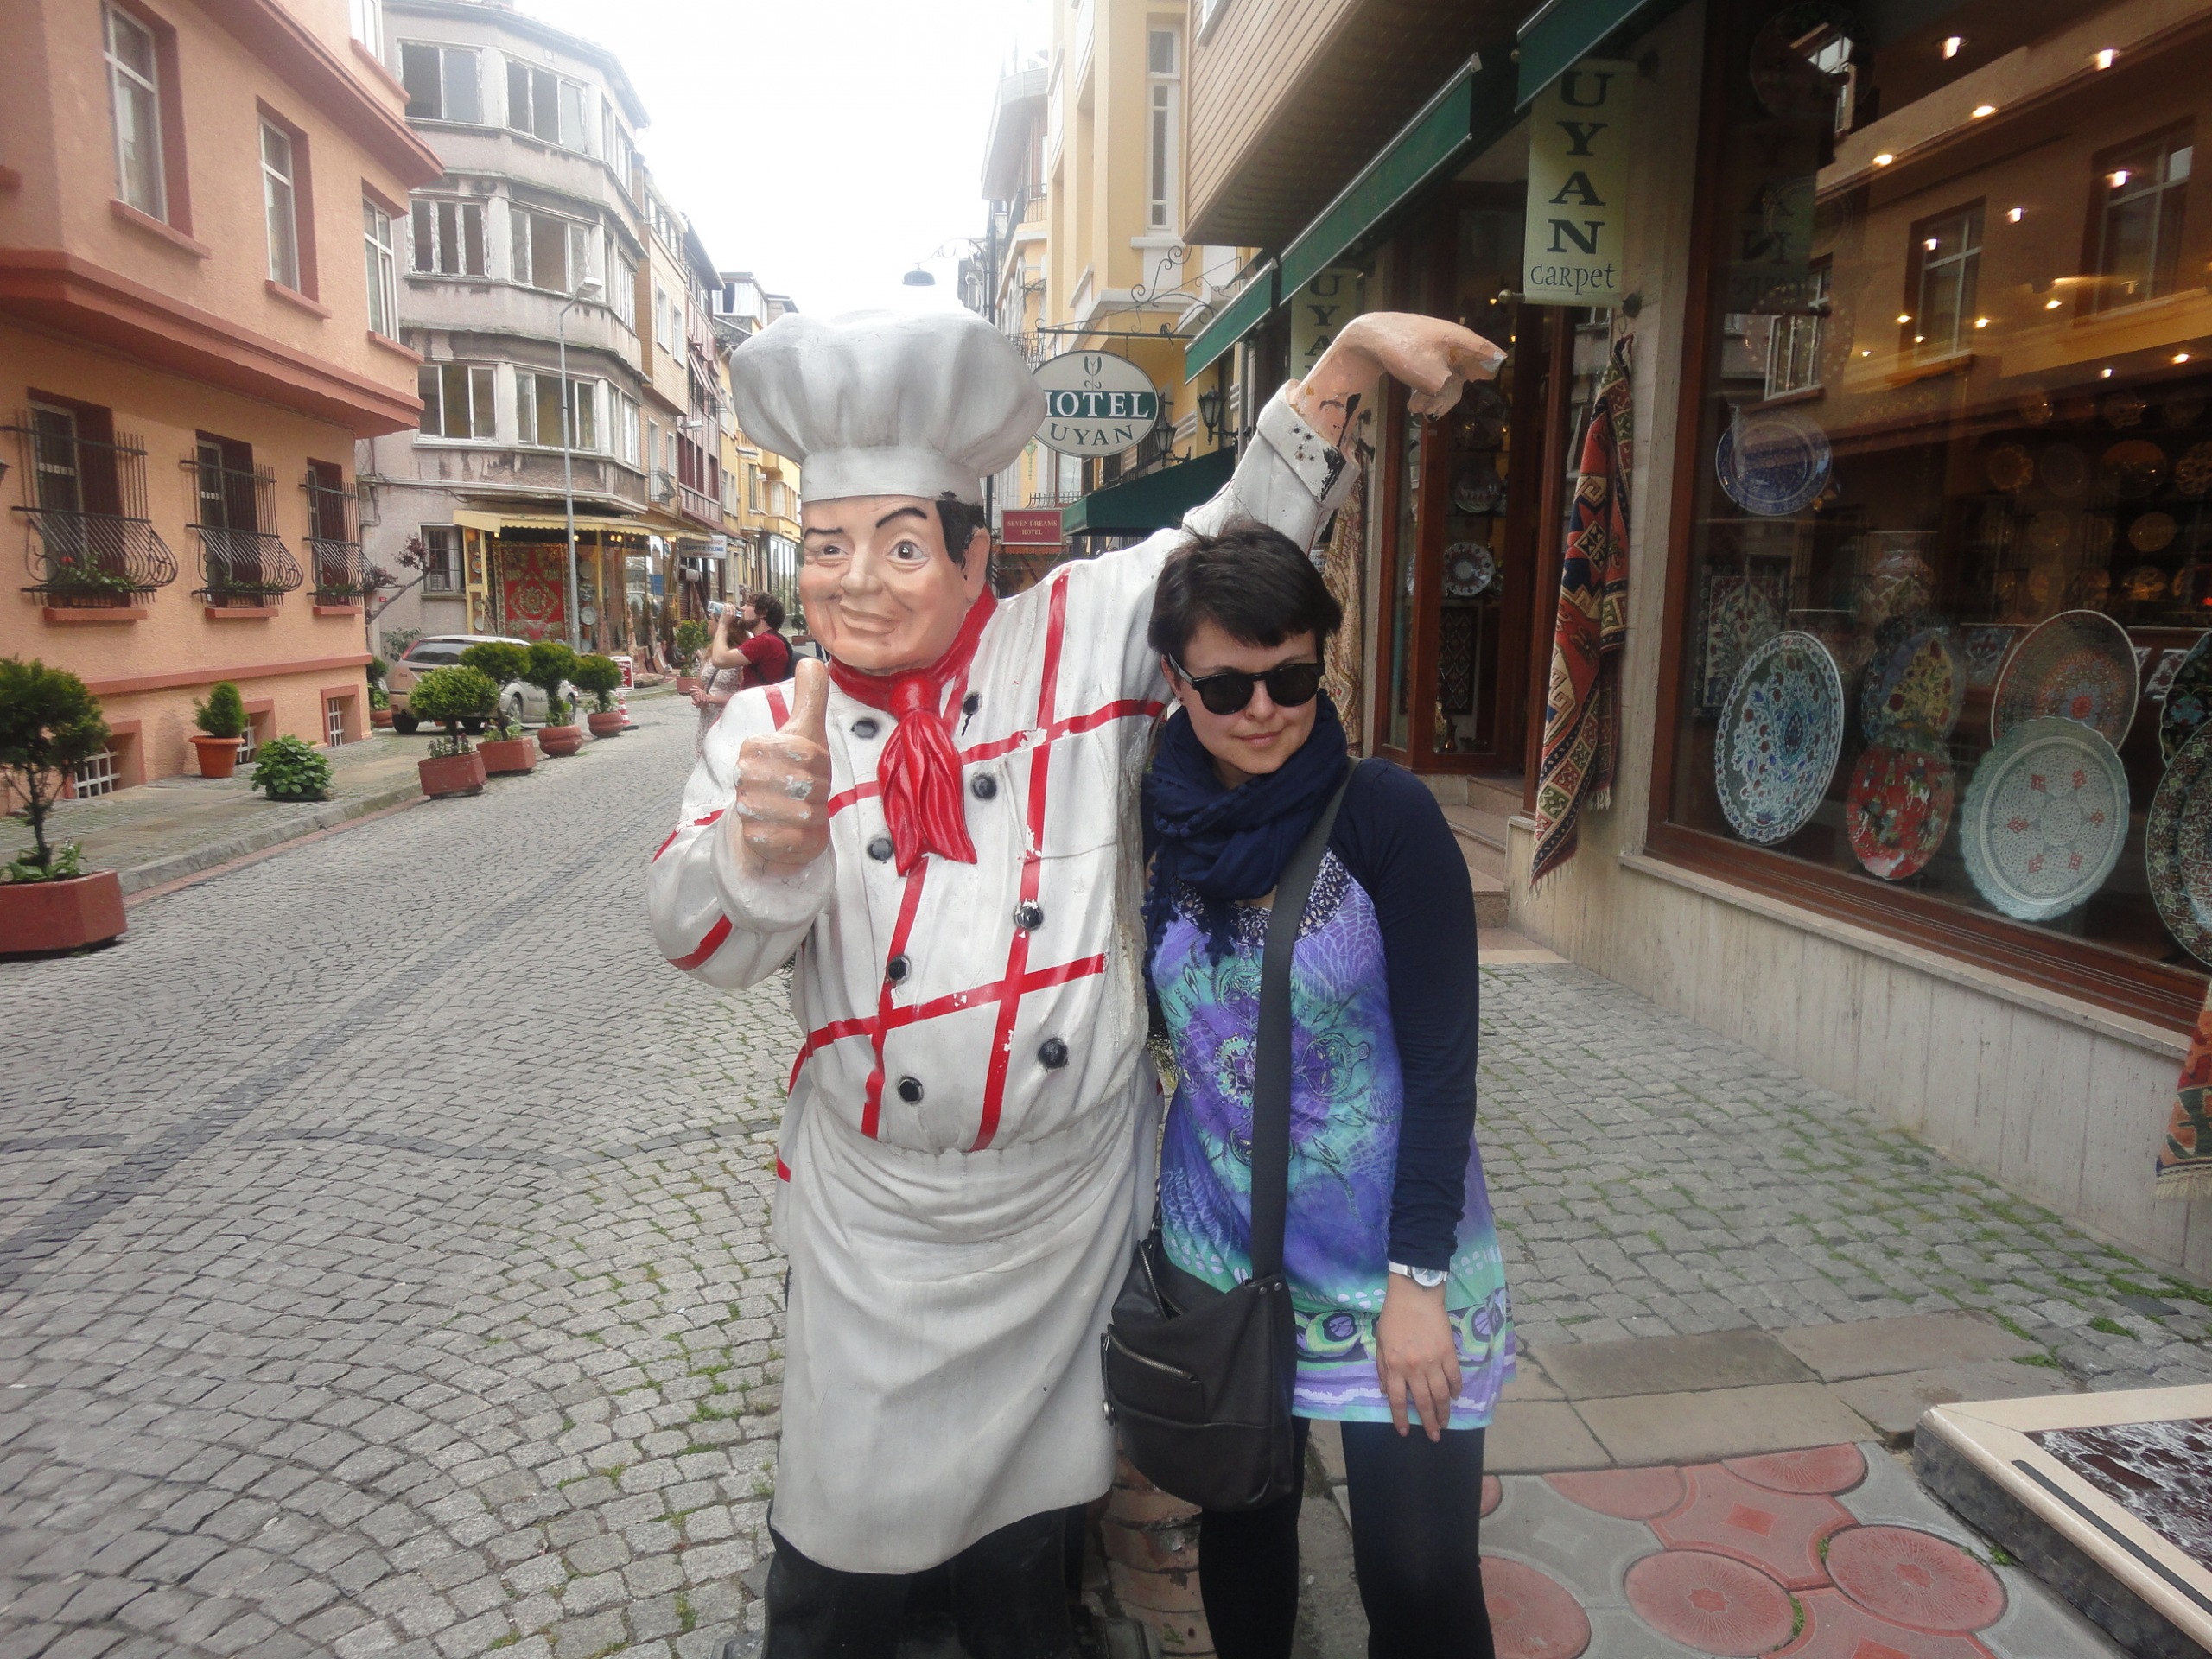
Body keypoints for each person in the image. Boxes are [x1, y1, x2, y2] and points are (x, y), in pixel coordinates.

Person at [644, 307, 1500, 1659]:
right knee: (836, 1550)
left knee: (1029, 1546)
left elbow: (1225, 544)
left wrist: (1337, 372)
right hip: (879, 1218)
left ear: (976, 556)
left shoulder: (1072, 637)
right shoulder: (767, 728)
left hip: (1064, 1209)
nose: (857, 583)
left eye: (901, 545)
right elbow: (698, 941)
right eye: (825, 547)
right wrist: (762, 851)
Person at [1141, 524, 1511, 1659]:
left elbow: (1444, 1065)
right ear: (1177, 679)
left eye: (1293, 678)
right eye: (1227, 686)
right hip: (1223, 1258)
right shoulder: (1149, 818)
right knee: (1246, 1547)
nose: (1263, 709)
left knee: (1419, 1577)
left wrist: (1417, 1283)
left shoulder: (1383, 814)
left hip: (1389, 1264)